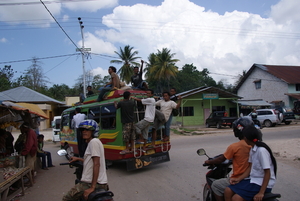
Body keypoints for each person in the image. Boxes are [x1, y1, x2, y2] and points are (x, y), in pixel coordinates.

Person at [204, 117, 253, 201]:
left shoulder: (235, 146)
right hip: (253, 179)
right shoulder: (255, 145)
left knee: (216, 185)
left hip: (240, 179)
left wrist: (209, 161)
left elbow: (221, 159)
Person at [224, 125, 277, 201]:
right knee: (228, 190)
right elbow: (250, 168)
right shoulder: (253, 149)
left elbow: (267, 172)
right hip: (253, 180)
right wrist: (238, 179)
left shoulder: (261, 151)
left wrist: (261, 192)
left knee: (236, 198)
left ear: (246, 138)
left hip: (261, 183)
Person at [63, 120, 108, 201]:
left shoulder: (94, 142)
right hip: (100, 184)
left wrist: (92, 187)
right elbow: (91, 161)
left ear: (94, 131)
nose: (84, 131)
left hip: (90, 183)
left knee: (66, 198)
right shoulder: (93, 142)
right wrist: (78, 159)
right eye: (82, 130)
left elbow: (96, 164)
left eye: (87, 129)